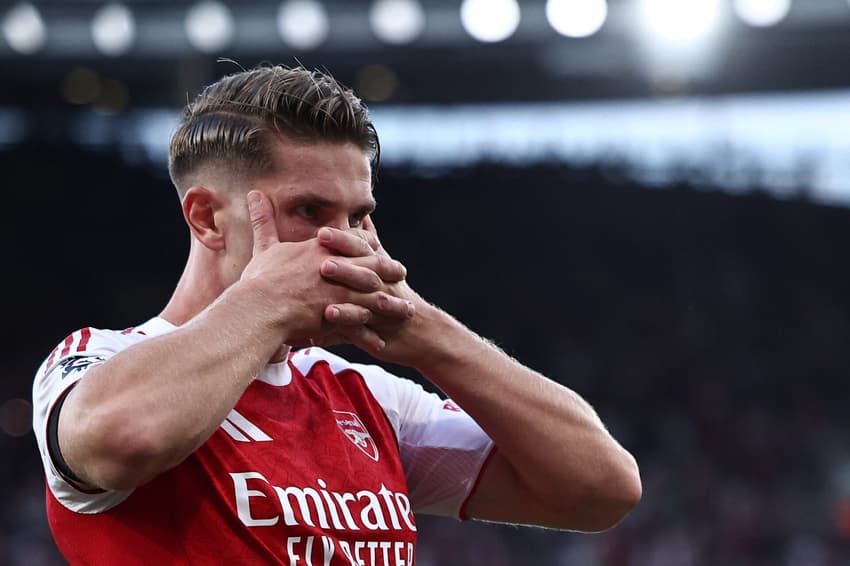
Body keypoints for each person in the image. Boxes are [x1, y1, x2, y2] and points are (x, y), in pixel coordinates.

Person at [32, 65, 641, 565]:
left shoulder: (366, 396)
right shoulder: (101, 360)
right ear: (207, 218)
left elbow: (600, 490)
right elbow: (124, 441)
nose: (342, 241)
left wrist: (431, 337)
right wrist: (267, 300)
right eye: (308, 211)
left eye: (356, 216)